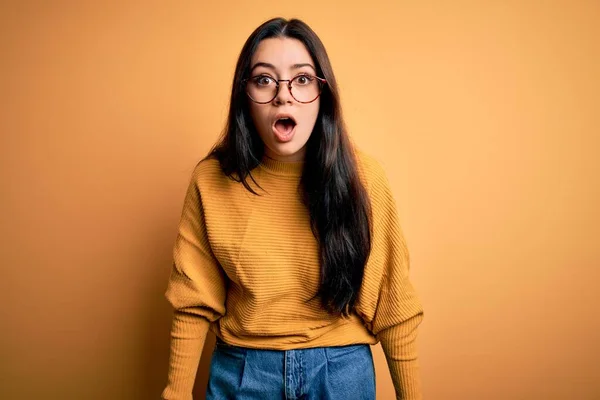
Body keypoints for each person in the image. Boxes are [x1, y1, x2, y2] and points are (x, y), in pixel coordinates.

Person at [161, 17, 424, 400]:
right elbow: (192, 301)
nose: (283, 96)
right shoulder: (211, 181)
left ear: (323, 94)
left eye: (301, 79)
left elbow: (393, 304)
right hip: (243, 373)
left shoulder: (365, 178)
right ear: (244, 95)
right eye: (264, 80)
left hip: (341, 375)